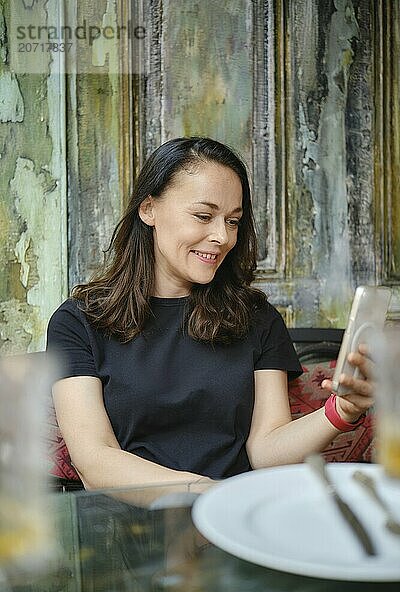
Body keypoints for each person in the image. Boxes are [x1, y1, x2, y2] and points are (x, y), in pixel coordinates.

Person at [46, 137, 373, 490]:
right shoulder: (80, 321)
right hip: (132, 527)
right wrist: (203, 494)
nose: (222, 236)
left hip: (235, 519)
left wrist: (340, 412)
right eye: (204, 216)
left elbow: (265, 451)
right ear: (148, 209)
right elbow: (95, 461)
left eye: (233, 221)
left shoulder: (255, 317)